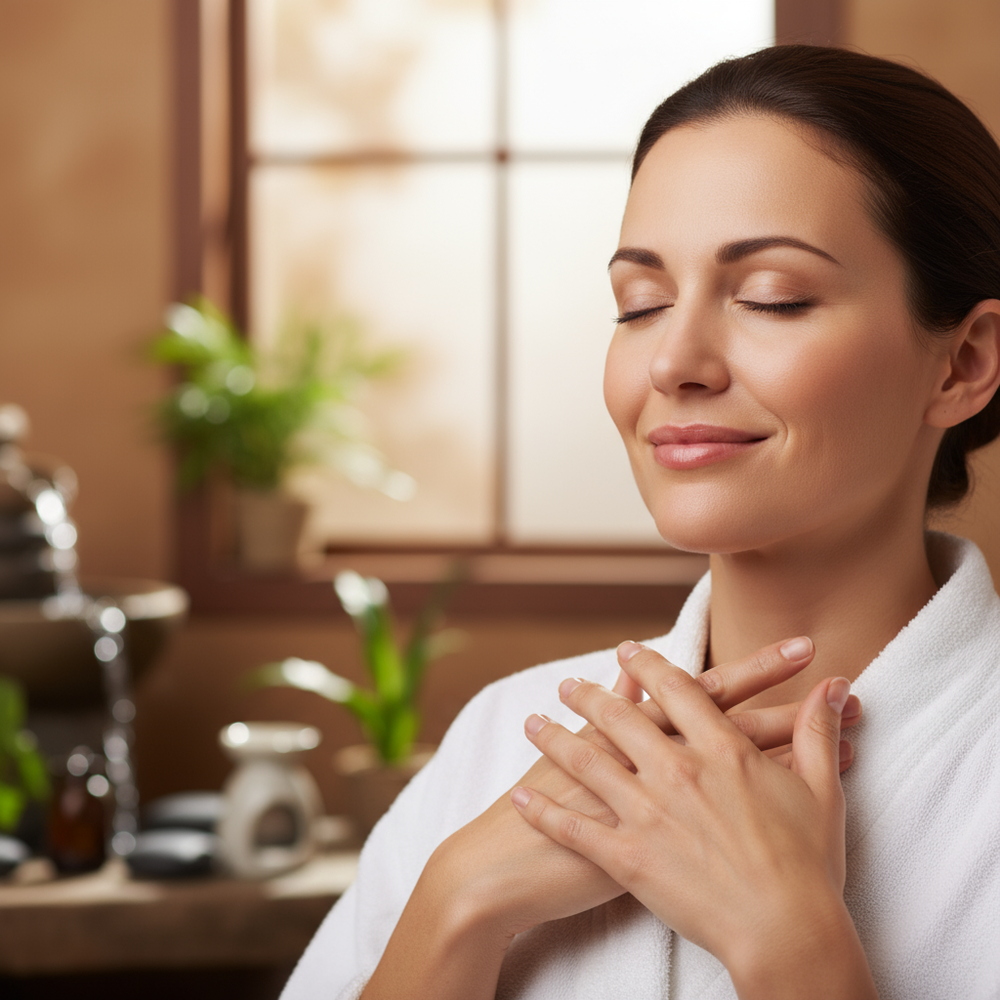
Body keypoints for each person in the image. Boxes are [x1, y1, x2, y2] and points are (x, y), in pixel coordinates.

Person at [281, 45, 1000, 1000]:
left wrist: (793, 944)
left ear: (963, 362)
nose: (673, 362)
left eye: (773, 297)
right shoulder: (505, 743)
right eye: (641, 305)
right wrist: (455, 907)